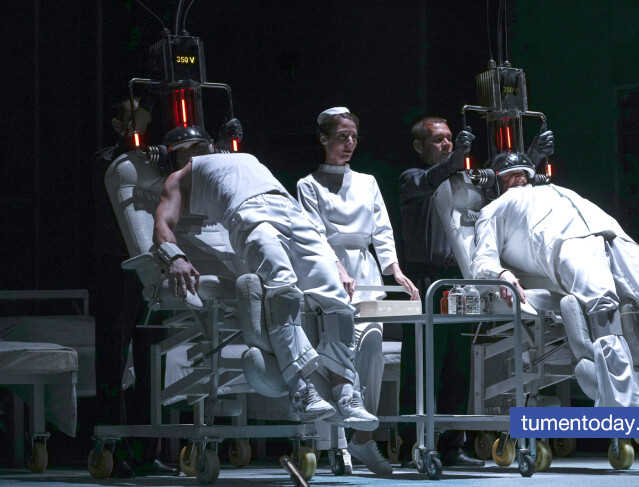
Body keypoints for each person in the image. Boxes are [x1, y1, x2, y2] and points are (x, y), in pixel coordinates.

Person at [470, 151, 639, 458]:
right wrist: (501, 274)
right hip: (567, 243)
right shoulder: (494, 209)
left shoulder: (556, 190)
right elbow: (481, 261)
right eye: (509, 175)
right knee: (603, 309)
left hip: (611, 232)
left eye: (523, 172)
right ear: (496, 183)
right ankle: (636, 419)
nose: (518, 177)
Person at [152, 126, 379, 432]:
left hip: (294, 214)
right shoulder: (179, 177)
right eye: (188, 149)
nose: (198, 151)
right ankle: (301, 389)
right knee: (282, 290)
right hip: (251, 214)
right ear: (175, 156)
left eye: (201, 144)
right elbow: (162, 224)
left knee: (336, 299)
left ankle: (346, 392)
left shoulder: (241, 157)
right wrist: (174, 256)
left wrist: (336, 262)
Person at [297, 107, 419, 475]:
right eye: (342, 136)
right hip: (327, 275)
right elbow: (313, 233)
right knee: (336, 356)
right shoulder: (308, 184)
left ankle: (363, 439)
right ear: (324, 139)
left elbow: (381, 229)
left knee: (372, 349)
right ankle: (336, 443)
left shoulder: (367, 182)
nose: (349, 143)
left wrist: (395, 270)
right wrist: (335, 268)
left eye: (353, 136)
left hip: (366, 274)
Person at [91, 98, 178, 477]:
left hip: (151, 263)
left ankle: (147, 452)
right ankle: (112, 448)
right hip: (115, 264)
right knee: (113, 352)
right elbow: (115, 170)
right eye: (130, 116)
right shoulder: (107, 160)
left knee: (151, 354)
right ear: (117, 122)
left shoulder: (155, 159)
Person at [397, 117, 484, 467]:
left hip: (459, 281)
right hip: (427, 281)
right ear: (420, 146)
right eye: (439, 140)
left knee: (458, 366)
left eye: (450, 139)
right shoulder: (413, 178)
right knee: (422, 364)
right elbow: (433, 179)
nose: (447, 144)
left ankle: (451, 445)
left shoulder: (460, 182)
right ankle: (412, 444)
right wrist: (455, 159)